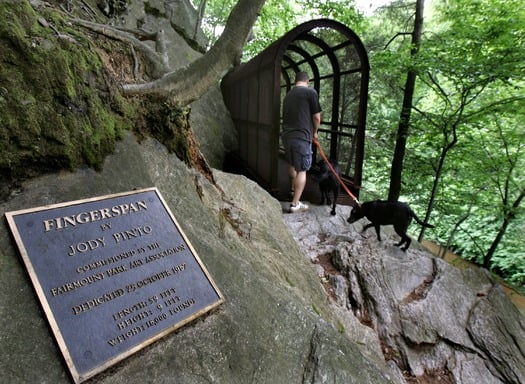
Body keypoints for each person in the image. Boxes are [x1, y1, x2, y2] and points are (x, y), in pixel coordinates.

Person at [281, 71, 322, 213]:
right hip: (302, 137)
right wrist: (315, 132)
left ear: (295, 81)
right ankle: (295, 203)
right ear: (308, 81)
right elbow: (316, 117)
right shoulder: (310, 92)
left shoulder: (288, 96)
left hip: (287, 136)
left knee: (292, 164)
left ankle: (293, 190)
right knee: (302, 169)